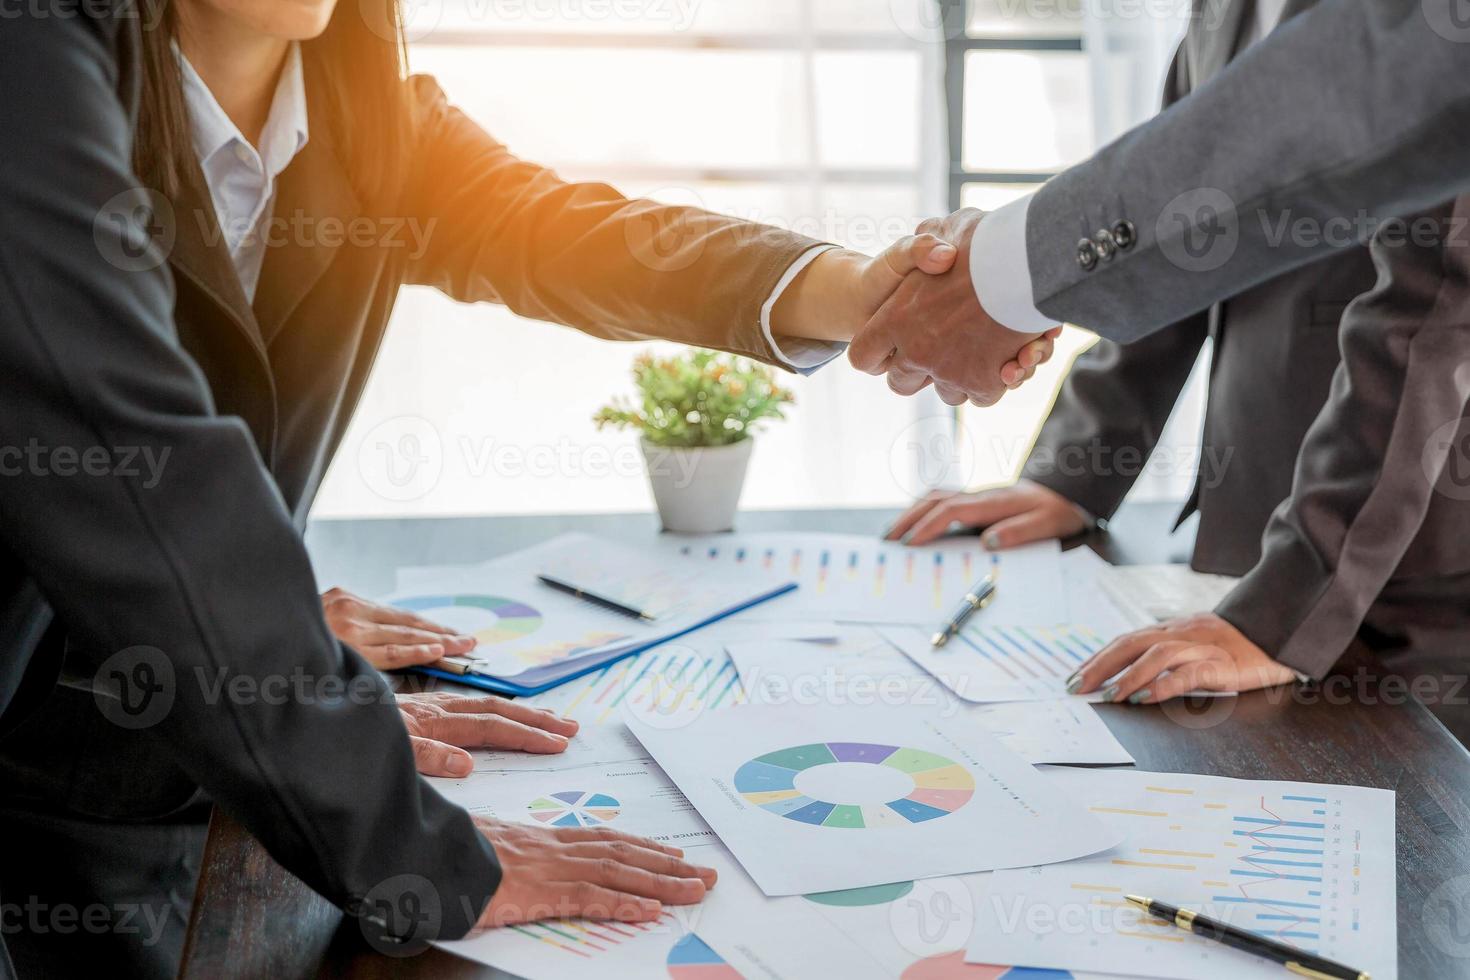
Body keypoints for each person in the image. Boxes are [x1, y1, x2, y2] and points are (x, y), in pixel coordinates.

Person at [0, 1, 1059, 975]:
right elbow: (136, 461)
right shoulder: (31, 60)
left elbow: (571, 234)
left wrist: (865, 294)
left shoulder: (359, 111)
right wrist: (402, 827)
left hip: (131, 755)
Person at [887, 0, 1470, 743]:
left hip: (1416, 562)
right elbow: (1185, 232)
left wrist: (1283, 614)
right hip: (1264, 540)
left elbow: (1435, 310)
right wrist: (1077, 469)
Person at [851, 0, 1470, 406]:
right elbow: (1187, 216)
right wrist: (1074, 472)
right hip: (1252, 514)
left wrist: (1003, 274)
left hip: (1406, 553)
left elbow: (1365, 96)